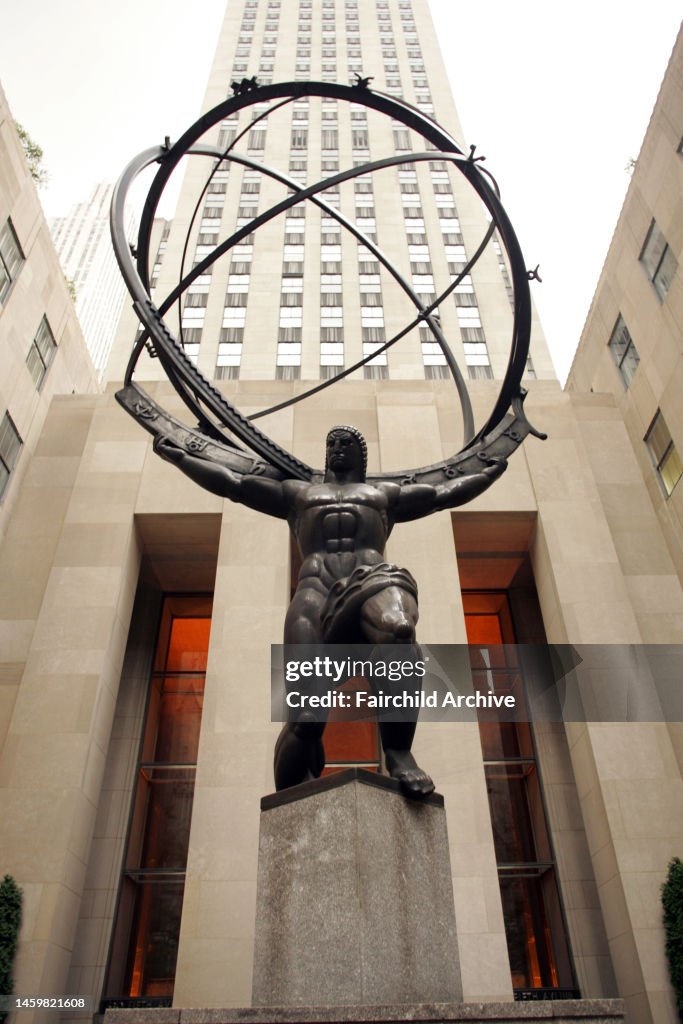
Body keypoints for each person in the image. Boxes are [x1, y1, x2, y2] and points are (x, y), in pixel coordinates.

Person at [154, 426, 505, 796]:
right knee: (306, 718)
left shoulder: (383, 495)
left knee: (399, 629)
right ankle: (294, 787)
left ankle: (399, 752)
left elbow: (441, 495)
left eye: (346, 443)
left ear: (360, 455)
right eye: (332, 443)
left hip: (367, 588)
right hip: (315, 595)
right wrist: (180, 458)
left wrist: (490, 472)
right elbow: (234, 485)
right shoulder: (299, 493)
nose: (337, 448)